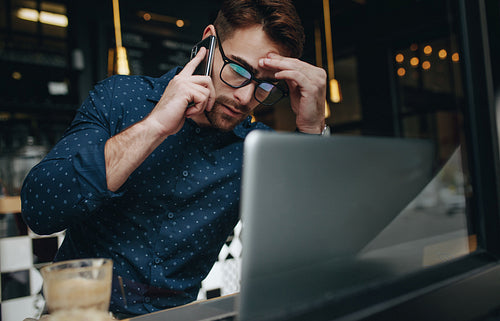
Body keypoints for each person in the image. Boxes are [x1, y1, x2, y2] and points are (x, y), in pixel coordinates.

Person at [21, 0, 327, 317]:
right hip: (79, 314)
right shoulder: (119, 99)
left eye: (264, 85)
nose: (246, 97)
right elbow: (41, 209)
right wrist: (154, 127)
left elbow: (306, 254)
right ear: (208, 42)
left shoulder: (256, 149)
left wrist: (310, 129)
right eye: (237, 70)